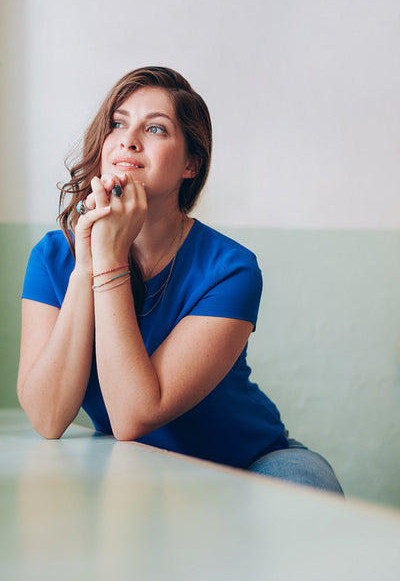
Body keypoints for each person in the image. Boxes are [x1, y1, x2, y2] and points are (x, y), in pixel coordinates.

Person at [18, 66, 343, 494]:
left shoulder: (232, 269)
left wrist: (111, 258)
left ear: (191, 163)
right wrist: (87, 264)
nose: (129, 139)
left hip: (249, 464)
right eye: (117, 123)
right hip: (139, 473)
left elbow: (135, 413)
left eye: (155, 129)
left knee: (310, 506)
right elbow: (47, 416)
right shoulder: (52, 257)